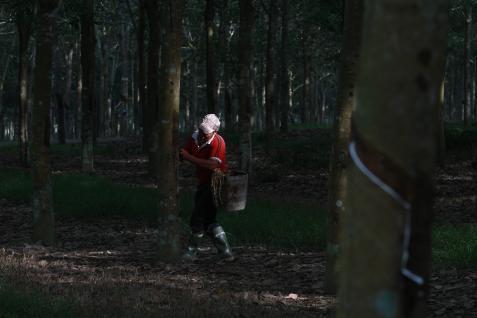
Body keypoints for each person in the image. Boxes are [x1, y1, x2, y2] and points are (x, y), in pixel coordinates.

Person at [180, 114, 234, 261]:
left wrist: (189, 158)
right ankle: (225, 252)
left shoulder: (218, 142)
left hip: (215, 184)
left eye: (207, 131)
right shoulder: (195, 136)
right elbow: (184, 151)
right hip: (202, 182)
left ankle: (191, 252)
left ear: (214, 131)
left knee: (198, 217)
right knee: (209, 219)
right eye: (202, 129)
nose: (203, 133)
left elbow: (212, 164)